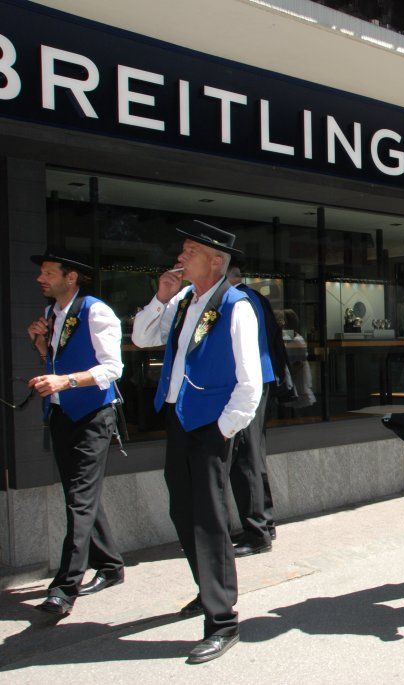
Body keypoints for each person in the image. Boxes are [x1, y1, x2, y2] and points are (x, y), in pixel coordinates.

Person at [131, 220, 262, 664]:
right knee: (182, 511)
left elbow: (250, 380)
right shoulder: (185, 300)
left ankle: (222, 621)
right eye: (183, 250)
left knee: (209, 520)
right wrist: (161, 298)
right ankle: (207, 591)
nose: (181, 257)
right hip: (179, 420)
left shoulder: (236, 305)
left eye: (189, 251)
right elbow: (142, 337)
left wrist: (223, 429)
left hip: (209, 425)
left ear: (215, 261)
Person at [24, 248, 125, 617]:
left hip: (94, 415)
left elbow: (113, 369)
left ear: (71, 277)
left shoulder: (96, 311)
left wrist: (63, 381)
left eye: (49, 272)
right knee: (79, 495)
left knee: (78, 499)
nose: (41, 278)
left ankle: (66, 588)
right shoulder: (53, 313)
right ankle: (111, 565)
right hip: (63, 414)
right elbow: (56, 361)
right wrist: (39, 342)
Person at [226, 266, 287, 555]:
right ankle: (264, 524)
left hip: (247, 384)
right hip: (260, 380)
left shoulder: (237, 300)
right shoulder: (253, 298)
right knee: (253, 456)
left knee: (246, 458)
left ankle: (257, 530)